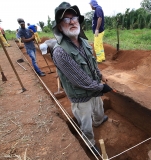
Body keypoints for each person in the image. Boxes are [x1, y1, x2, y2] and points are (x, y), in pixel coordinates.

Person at [52, 2, 112, 155]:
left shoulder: (85, 42)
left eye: (74, 18)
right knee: (85, 123)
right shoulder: (60, 52)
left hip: (94, 89)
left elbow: (92, 65)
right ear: (59, 27)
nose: (72, 21)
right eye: (66, 19)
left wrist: (100, 76)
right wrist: (101, 88)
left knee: (98, 109)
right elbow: (80, 80)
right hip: (80, 97)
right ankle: (89, 143)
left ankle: (99, 121)